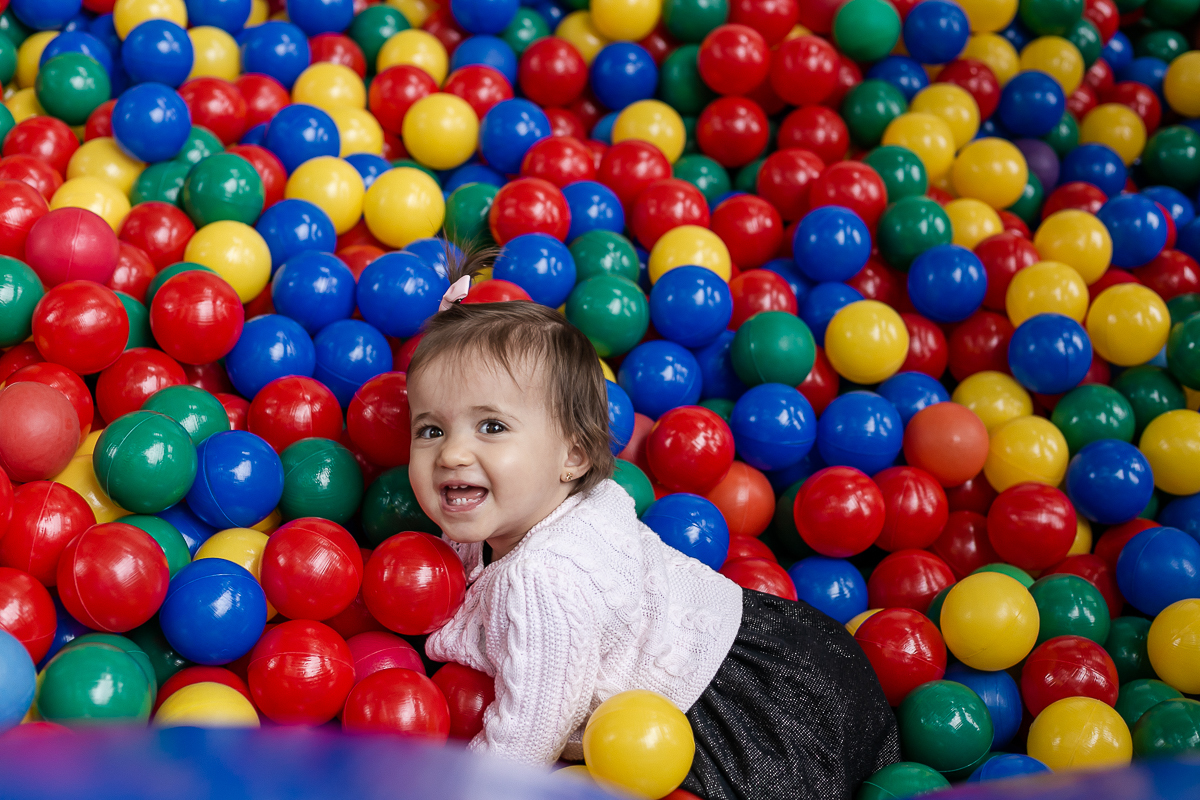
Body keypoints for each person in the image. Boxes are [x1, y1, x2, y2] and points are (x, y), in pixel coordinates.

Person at [407, 254, 899, 800]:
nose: (452, 453)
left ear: (572, 456)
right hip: (794, 650)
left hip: (747, 718)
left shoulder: (545, 579)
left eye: (492, 426)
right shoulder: (562, 504)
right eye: (430, 430)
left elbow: (529, 735)